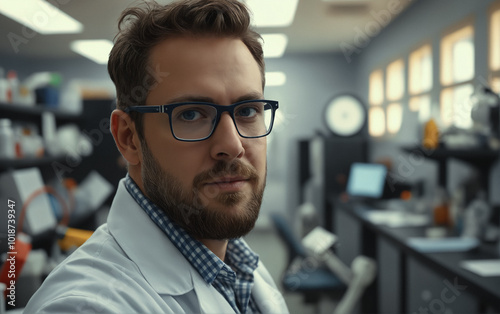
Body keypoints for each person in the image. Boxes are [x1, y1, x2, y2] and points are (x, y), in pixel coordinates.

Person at [24, 0, 289, 313]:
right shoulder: (87, 305)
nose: (233, 145)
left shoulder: (240, 266)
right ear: (128, 138)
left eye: (247, 111)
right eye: (191, 114)